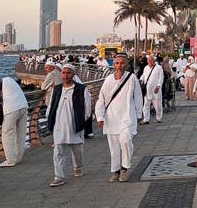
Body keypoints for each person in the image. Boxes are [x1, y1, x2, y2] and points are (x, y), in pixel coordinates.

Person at [95, 53, 145, 182]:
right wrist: (100, 116)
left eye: (122, 63)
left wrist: (140, 113)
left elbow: (138, 96)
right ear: (113, 64)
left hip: (127, 117)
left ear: (126, 64)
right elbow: (101, 99)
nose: (119, 66)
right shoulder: (108, 80)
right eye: (117, 63)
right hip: (111, 118)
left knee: (126, 140)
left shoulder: (131, 78)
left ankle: (125, 167)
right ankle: (115, 171)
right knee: (114, 148)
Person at [47, 64, 92, 187]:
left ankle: (78, 167)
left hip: (75, 125)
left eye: (68, 73)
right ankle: (59, 176)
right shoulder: (57, 89)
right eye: (64, 73)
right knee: (58, 152)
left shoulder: (82, 89)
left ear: (73, 74)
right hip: (59, 126)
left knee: (77, 150)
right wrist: (49, 119)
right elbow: (51, 105)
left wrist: (81, 121)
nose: (66, 75)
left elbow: (87, 108)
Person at [0, 76, 29, 167]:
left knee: (7, 134)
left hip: (11, 109)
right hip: (24, 106)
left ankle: (10, 161)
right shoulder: (9, 79)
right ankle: (18, 158)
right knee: (21, 134)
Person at [141, 55, 165, 124]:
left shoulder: (158, 67)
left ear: (154, 61)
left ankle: (158, 118)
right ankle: (146, 119)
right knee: (146, 105)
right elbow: (143, 75)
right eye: (148, 60)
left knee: (157, 105)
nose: (150, 61)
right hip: (147, 90)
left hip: (156, 89)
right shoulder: (146, 68)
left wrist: (158, 86)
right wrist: (141, 79)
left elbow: (161, 77)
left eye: (151, 60)